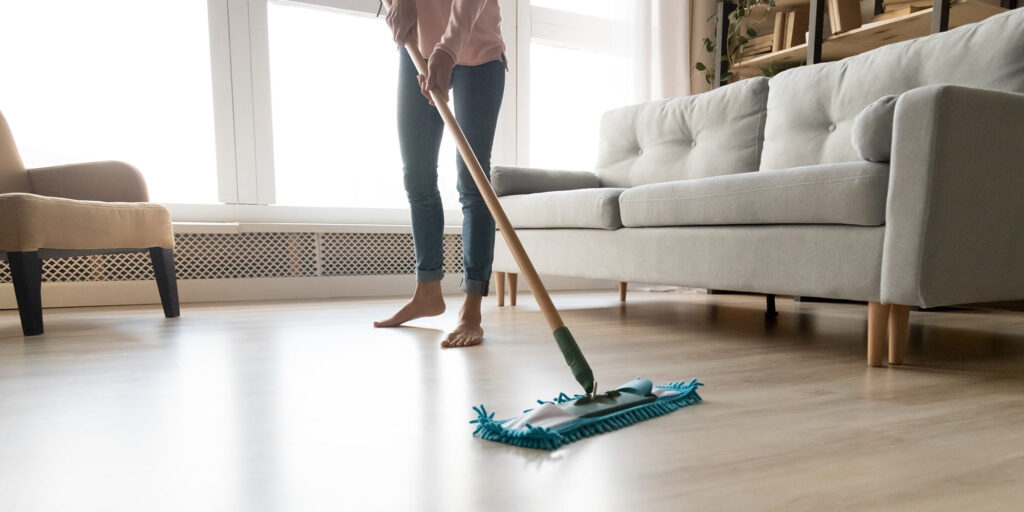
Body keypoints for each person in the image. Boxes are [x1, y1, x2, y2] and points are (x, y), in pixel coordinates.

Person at [373, 0, 506, 349]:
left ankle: (472, 308)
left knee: (473, 180)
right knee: (416, 174)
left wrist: (447, 50)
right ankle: (427, 291)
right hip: (419, 47)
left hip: (478, 52)